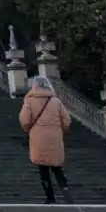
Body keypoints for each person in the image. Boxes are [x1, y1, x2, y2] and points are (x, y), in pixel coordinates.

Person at [19, 76, 72, 204]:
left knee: (43, 169)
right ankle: (65, 190)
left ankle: (50, 197)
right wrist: (59, 130)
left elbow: (25, 121)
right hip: (55, 138)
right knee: (56, 167)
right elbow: (67, 121)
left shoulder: (30, 100)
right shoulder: (55, 101)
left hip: (38, 138)